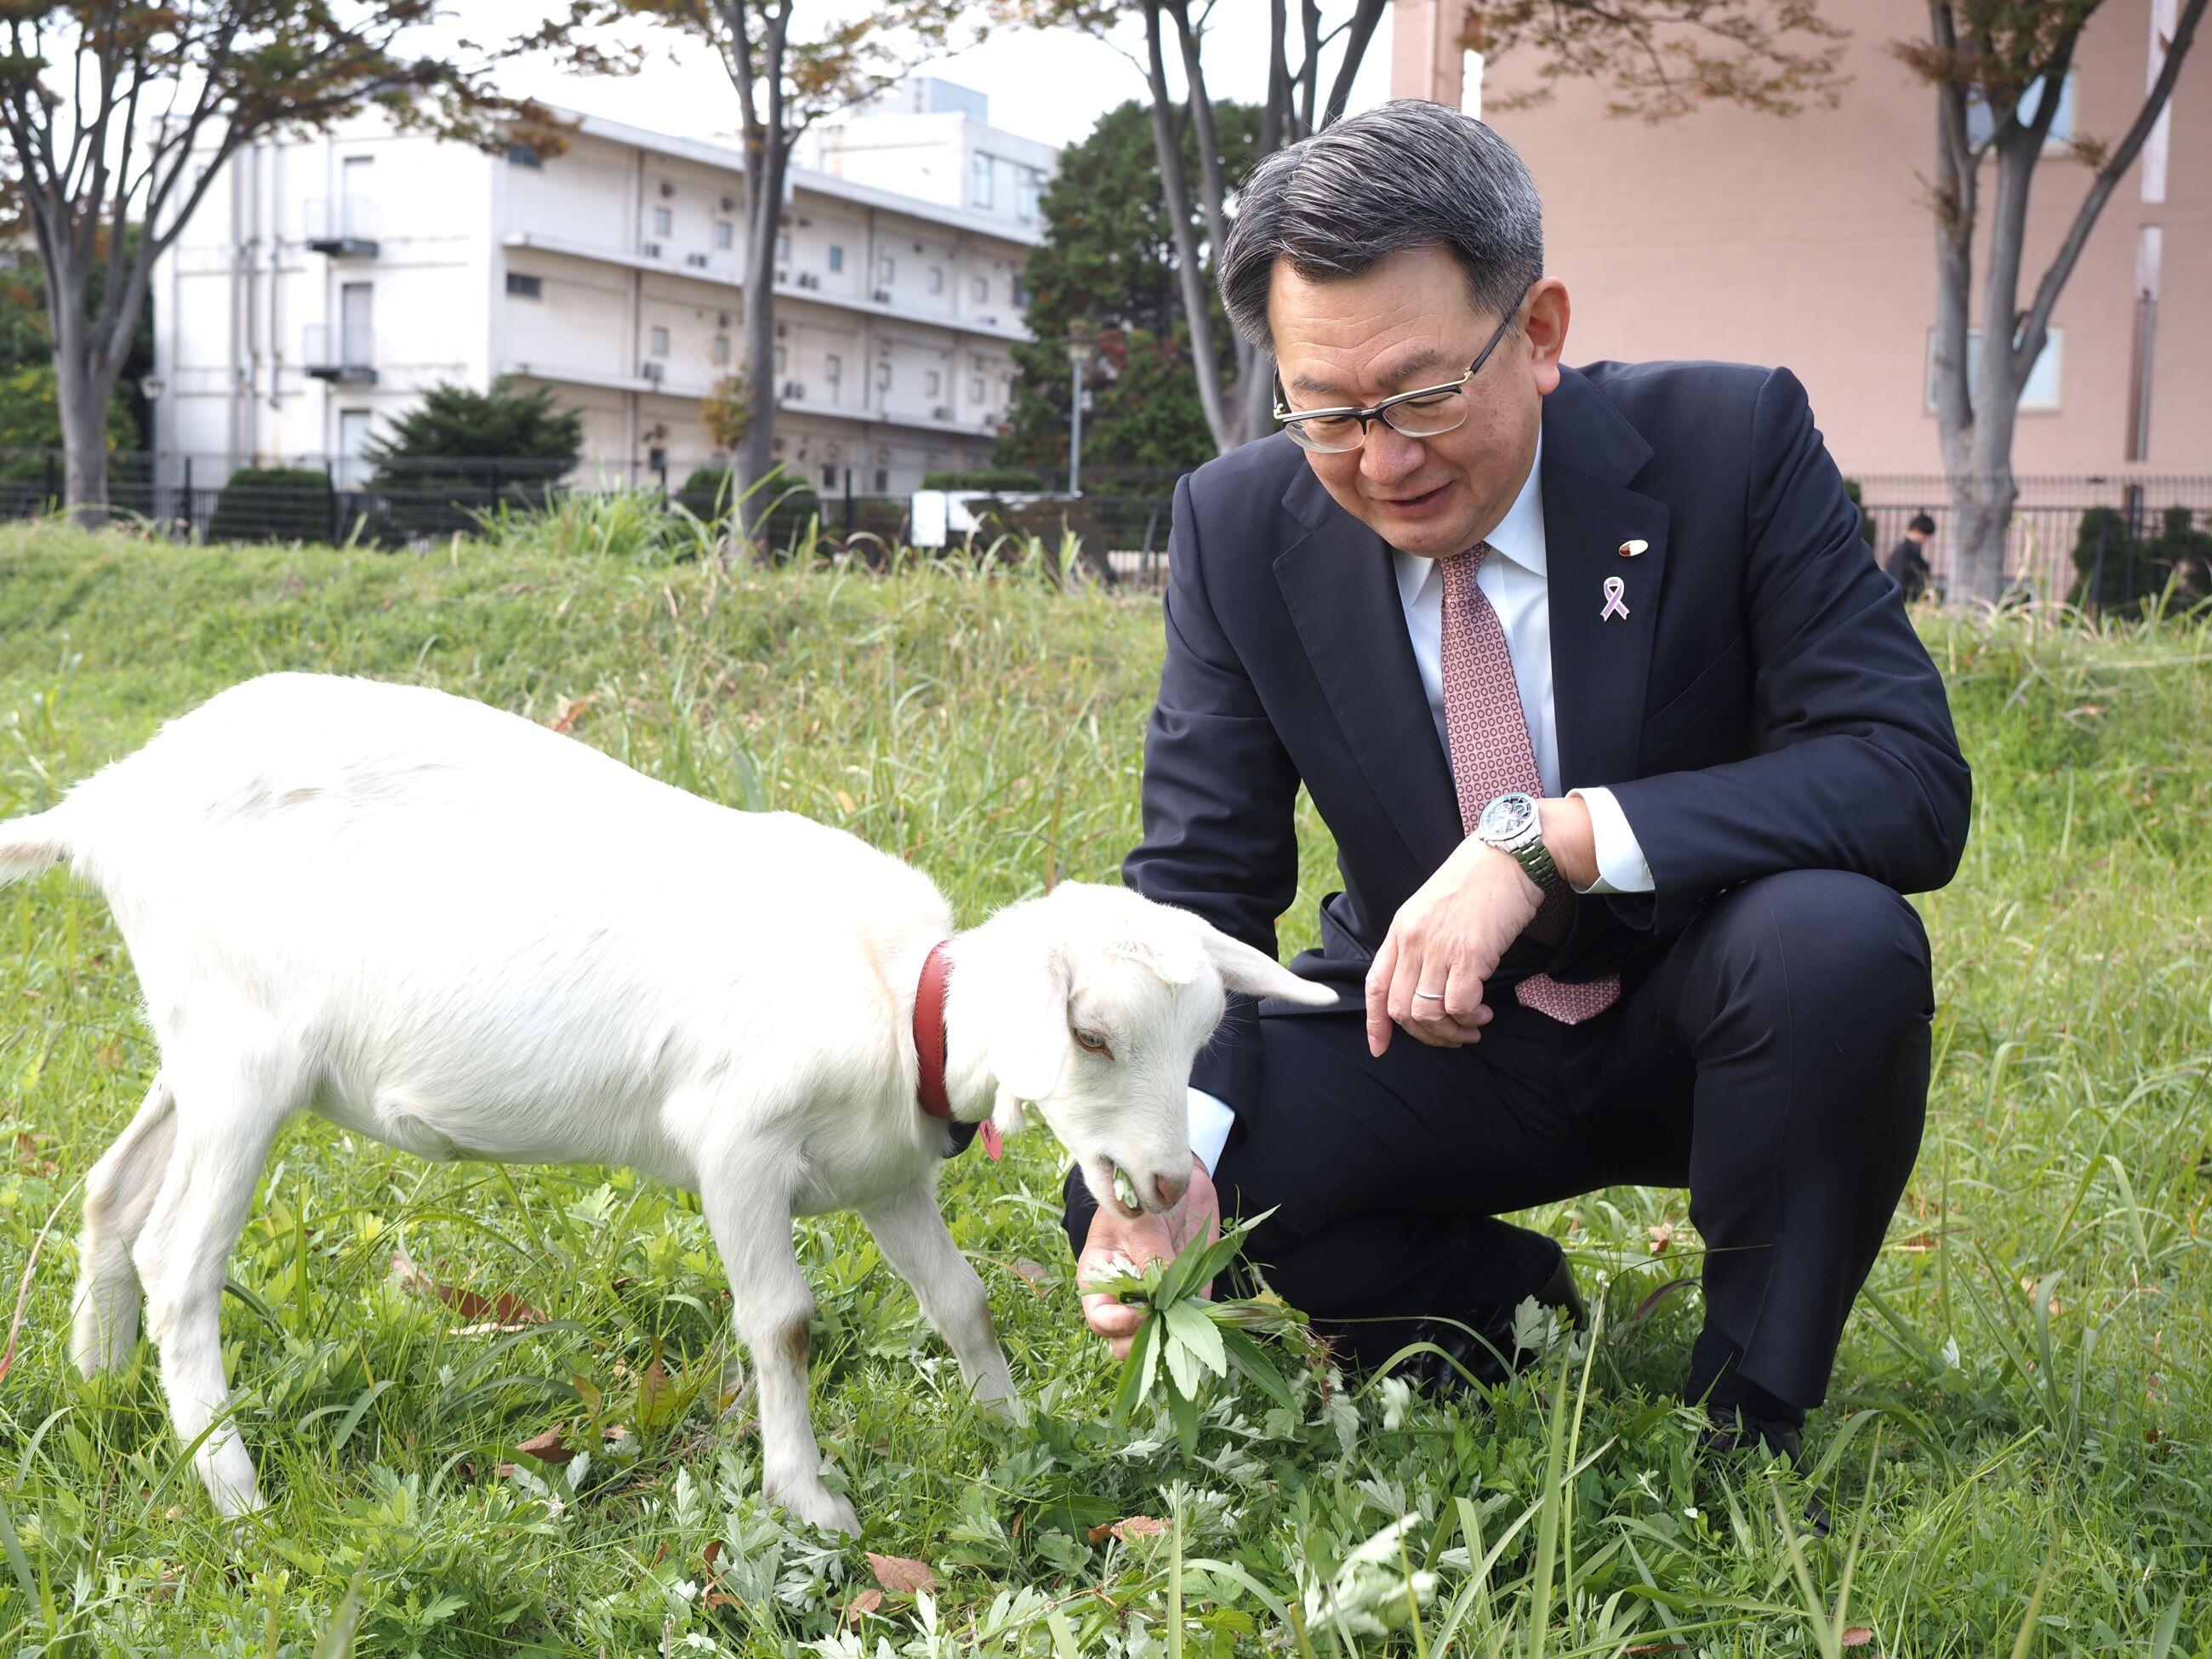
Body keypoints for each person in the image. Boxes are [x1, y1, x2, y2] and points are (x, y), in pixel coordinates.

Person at [1063, 101, 1970, 1501]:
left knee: (1836, 945)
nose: (1384, 460)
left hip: (1709, 1015)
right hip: (1428, 1033)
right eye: (1327, 413)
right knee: (1157, 1142)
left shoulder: (1729, 443)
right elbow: (1201, 887)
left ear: (1537, 330)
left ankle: (1751, 1419)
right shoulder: (1239, 527)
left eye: (1422, 396)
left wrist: (1549, 841)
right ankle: (1487, 1316)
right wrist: (1150, 1162)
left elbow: (1903, 774)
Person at [1885, 512, 1936, 601]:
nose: (1925, 539)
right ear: (1917, 530)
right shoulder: (1904, 551)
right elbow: (1899, 578)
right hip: (1904, 599)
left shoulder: (1910, 549)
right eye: (1925, 535)